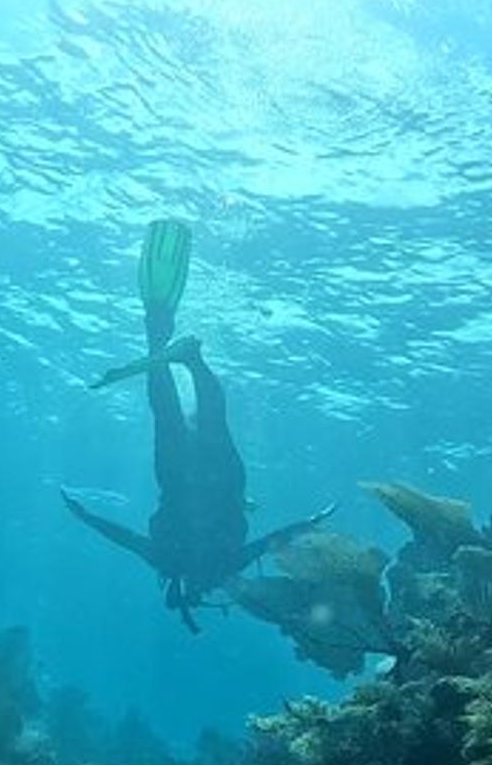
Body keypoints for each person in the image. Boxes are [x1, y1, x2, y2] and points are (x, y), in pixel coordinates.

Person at [63, 220, 331, 632]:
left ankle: (184, 355)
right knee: (170, 417)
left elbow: (271, 541)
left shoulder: (211, 562)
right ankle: (169, 345)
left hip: (213, 480)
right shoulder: (173, 561)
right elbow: (125, 538)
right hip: (188, 478)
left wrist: (311, 521)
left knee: (206, 421)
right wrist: (85, 516)